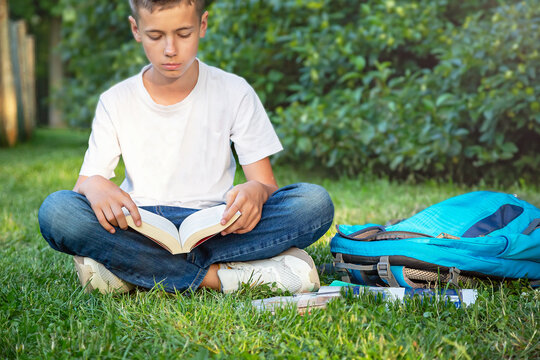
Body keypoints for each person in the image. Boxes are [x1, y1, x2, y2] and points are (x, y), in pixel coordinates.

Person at [38, 0, 334, 295]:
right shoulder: (116, 100)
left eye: (183, 34)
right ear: (136, 29)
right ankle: (224, 277)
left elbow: (267, 185)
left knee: (313, 203)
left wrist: (255, 191)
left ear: (202, 25)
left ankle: (130, 271)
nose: (170, 49)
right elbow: (81, 189)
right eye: (156, 36)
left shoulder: (235, 91)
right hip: (141, 227)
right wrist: (95, 185)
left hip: (218, 226)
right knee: (58, 211)